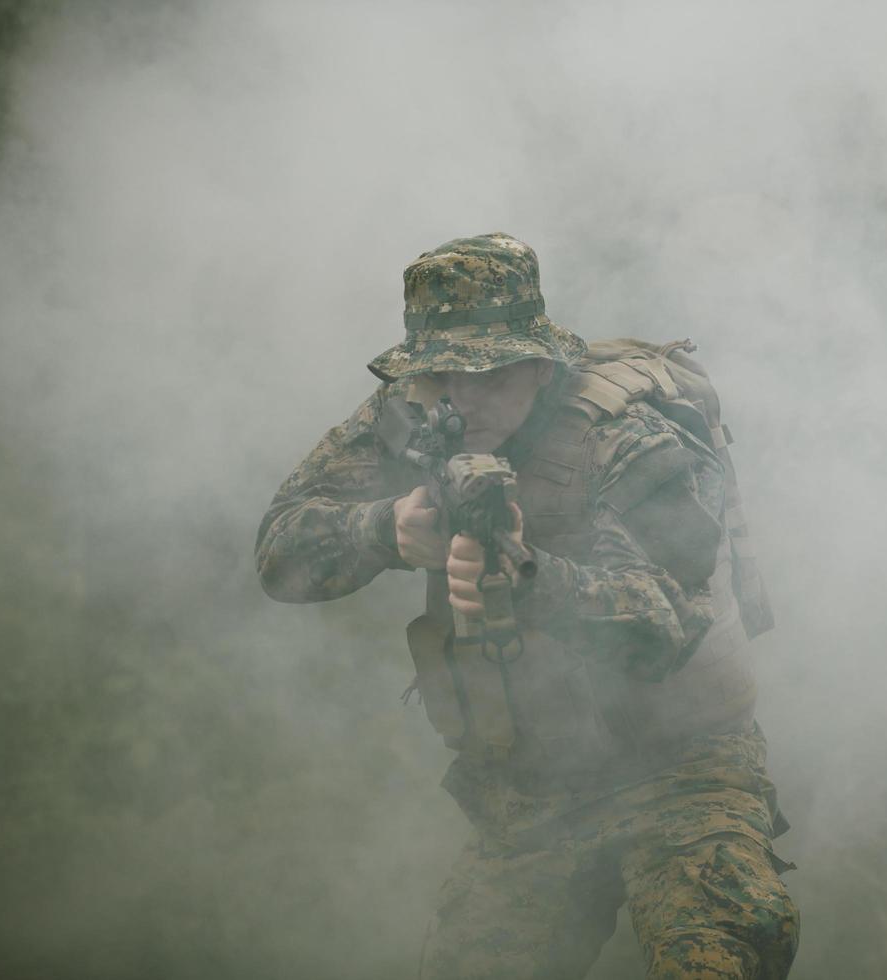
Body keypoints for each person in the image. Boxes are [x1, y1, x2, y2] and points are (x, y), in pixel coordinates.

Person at [255, 233, 797, 980]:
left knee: (719, 957)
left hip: (681, 773)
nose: (459, 398)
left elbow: (663, 626)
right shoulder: (405, 416)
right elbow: (279, 553)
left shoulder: (626, 436)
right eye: (438, 373)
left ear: (540, 365)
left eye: (487, 376)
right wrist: (384, 529)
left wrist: (531, 578)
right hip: (532, 792)